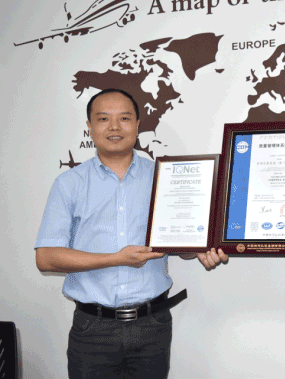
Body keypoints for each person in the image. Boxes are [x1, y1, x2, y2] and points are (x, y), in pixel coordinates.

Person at [35, 88, 227, 379]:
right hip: (93, 328)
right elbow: (46, 258)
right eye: (103, 119)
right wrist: (117, 258)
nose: (114, 127)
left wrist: (199, 248)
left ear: (137, 125)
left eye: (124, 118)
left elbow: (180, 244)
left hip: (153, 325)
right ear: (89, 126)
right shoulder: (69, 184)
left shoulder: (165, 177)